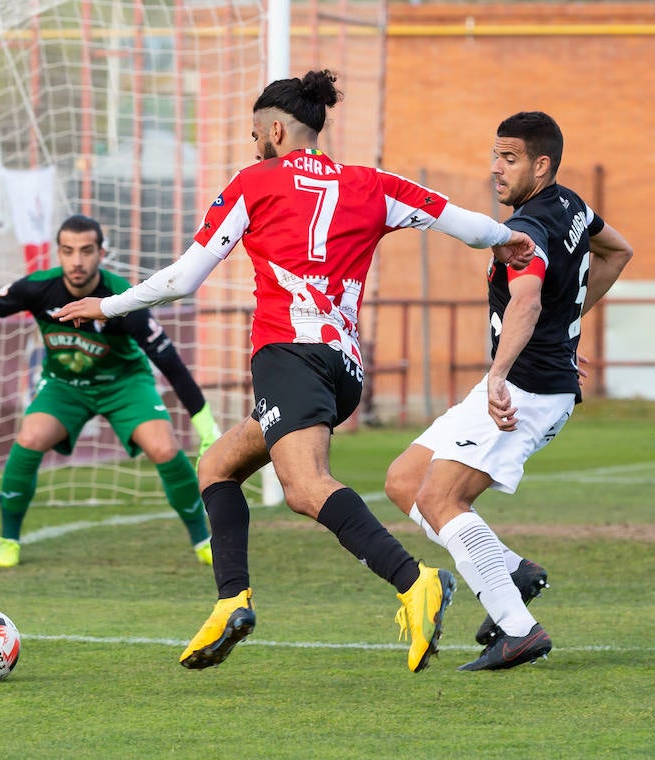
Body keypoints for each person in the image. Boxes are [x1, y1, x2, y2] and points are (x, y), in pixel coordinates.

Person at [54, 70, 536, 673]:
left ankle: (416, 582)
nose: (254, 143)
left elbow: (183, 279)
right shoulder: (372, 184)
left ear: (275, 129)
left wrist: (109, 304)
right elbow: (461, 222)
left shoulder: (255, 182)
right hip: (344, 368)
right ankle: (231, 601)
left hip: (289, 355)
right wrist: (506, 238)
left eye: (256, 132)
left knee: (305, 487)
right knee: (217, 465)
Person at [384, 111, 634, 671]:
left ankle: (519, 630)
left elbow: (525, 299)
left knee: (440, 499)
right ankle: (513, 571)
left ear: (540, 165)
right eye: (494, 156)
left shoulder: (530, 230)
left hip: (526, 390)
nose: (495, 169)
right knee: (404, 480)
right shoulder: (571, 205)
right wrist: (563, 329)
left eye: (510, 158)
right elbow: (617, 251)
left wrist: (500, 373)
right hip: (532, 376)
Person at [0, 214, 222, 568]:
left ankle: (203, 539)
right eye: (68, 251)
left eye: (86, 251)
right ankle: (8, 540)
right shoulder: (39, 289)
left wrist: (207, 429)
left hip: (124, 384)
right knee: (29, 438)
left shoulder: (124, 298)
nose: (77, 261)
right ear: (58, 253)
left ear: (101, 253)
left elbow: (170, 364)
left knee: (165, 448)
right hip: (64, 386)